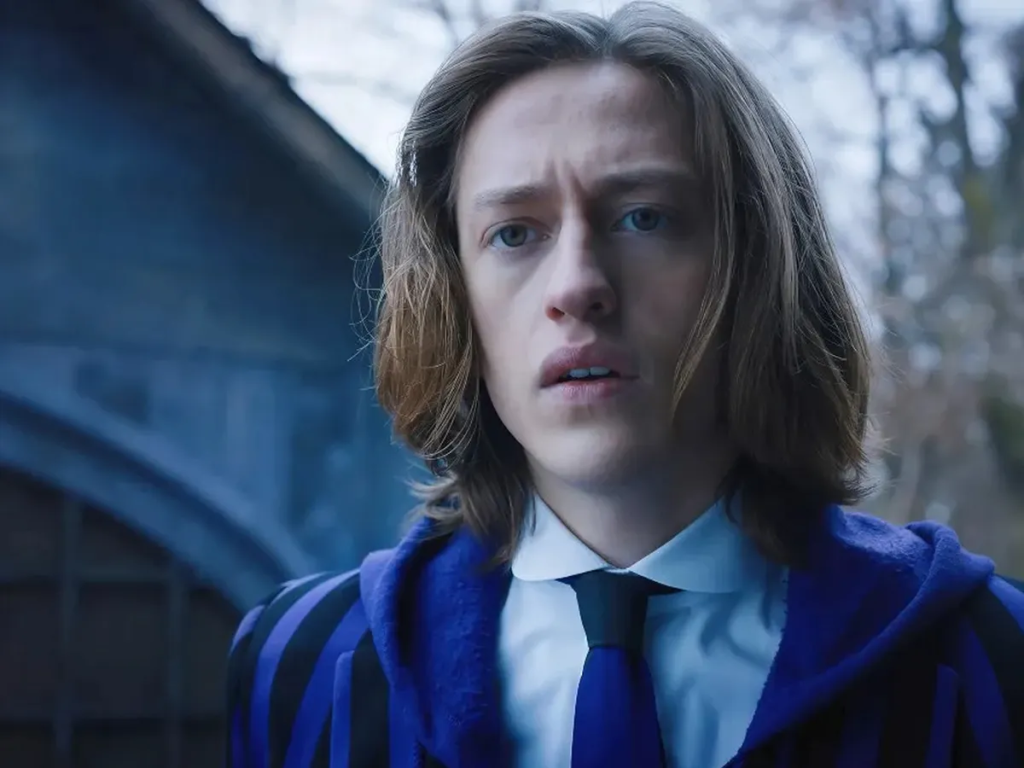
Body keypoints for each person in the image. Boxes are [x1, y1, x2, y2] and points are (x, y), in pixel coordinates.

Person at [226, 2, 1024, 767]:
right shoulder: (301, 670)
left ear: (757, 267)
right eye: (514, 233)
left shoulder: (988, 664)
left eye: (644, 217)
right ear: (454, 293)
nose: (577, 285)